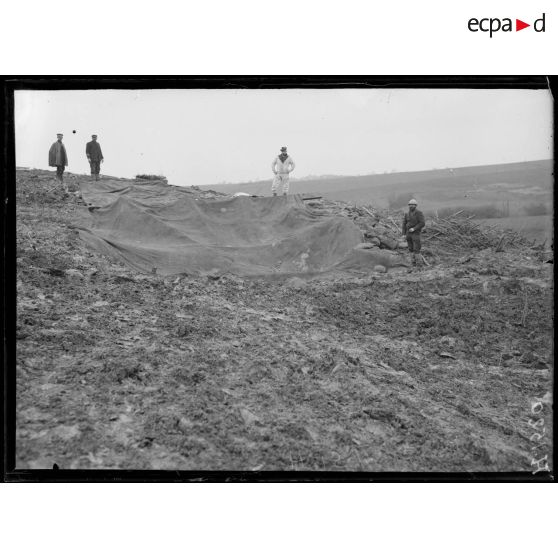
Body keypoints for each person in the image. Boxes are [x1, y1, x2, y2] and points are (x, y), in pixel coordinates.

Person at [402, 198, 425, 267]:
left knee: (416, 249)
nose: (411, 206)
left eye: (413, 205)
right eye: (410, 205)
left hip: (415, 233)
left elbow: (422, 223)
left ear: (415, 206)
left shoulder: (419, 213)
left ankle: (419, 265)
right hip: (408, 234)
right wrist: (403, 233)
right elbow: (404, 224)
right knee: (410, 249)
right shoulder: (407, 214)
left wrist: (414, 228)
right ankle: (413, 264)